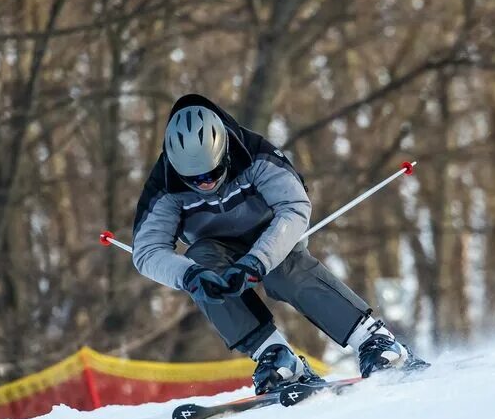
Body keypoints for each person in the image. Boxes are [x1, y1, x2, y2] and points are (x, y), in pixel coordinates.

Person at [132, 94, 428, 394]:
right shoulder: (164, 186)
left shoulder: (255, 153)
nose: (205, 183)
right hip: (215, 249)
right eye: (193, 180)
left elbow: (295, 207)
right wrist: (189, 276)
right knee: (203, 268)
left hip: (272, 235)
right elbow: (147, 251)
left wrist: (257, 260)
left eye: (211, 173)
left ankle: (374, 340)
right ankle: (276, 357)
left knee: (283, 270)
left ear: (224, 152)